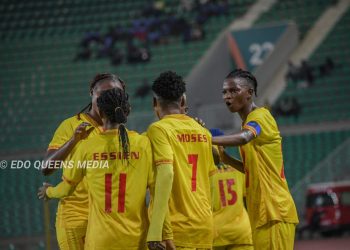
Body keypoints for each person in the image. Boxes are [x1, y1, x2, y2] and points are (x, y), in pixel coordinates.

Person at [39, 88, 168, 249]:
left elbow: (66, 190)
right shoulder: (144, 144)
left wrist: (49, 192)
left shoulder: (87, 147)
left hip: (100, 241)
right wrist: (160, 233)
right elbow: (159, 193)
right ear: (128, 111)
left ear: (100, 111)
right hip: (137, 239)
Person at [211, 69, 299, 250]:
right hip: (261, 213)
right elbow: (250, 169)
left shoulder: (261, 117)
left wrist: (203, 137)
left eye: (234, 90)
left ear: (249, 93)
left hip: (274, 211)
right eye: (225, 92)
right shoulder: (248, 122)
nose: (227, 96)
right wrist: (226, 158)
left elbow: (244, 137)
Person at [40, 73, 127, 249]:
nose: (107, 97)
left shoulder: (122, 131)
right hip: (77, 218)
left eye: (115, 92)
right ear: (91, 94)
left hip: (109, 219)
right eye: (102, 93)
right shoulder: (71, 125)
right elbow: (46, 167)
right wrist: (74, 140)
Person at [146, 71, 215, 249]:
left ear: (155, 103)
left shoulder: (158, 130)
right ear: (183, 101)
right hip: (204, 225)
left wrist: (155, 231)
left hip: (176, 228)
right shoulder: (203, 132)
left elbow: (165, 174)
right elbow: (211, 181)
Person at [209, 130, 253, 250]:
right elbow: (247, 200)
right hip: (242, 231)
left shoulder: (203, 171)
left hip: (216, 233)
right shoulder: (236, 168)